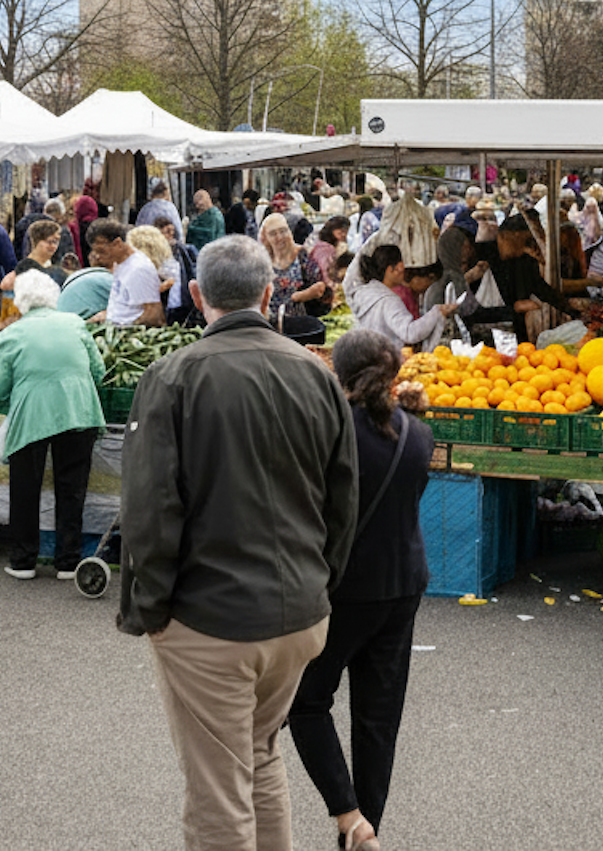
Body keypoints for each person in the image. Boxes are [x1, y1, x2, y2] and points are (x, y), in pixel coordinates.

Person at [118, 235, 358, 850]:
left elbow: (149, 511)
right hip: (298, 611)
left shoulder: (173, 376)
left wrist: (151, 610)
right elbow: (342, 501)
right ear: (271, 291)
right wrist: (320, 583)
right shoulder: (315, 373)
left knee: (219, 789)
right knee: (258, 755)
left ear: (197, 296)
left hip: (214, 617)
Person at [288, 331, 432, 851]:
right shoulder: (419, 435)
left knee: (305, 702)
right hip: (402, 586)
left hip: (343, 589)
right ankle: (366, 826)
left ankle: (351, 820)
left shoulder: (330, 432)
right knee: (378, 718)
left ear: (336, 371)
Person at [0, 269, 105, 579]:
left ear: (21, 302)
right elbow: (99, 369)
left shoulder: (12, 333)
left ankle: (23, 560)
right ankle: (68, 562)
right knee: (73, 488)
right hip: (79, 409)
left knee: (25, 488)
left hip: (33, 414)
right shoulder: (75, 323)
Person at [468, 214, 577, 344]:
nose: (521, 247)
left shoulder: (524, 261)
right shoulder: (479, 259)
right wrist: (512, 308)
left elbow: (540, 288)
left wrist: (569, 309)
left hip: (516, 337)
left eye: (525, 241)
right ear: (503, 236)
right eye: (518, 240)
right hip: (481, 339)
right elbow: (469, 313)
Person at [352, 245, 455, 350]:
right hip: (383, 357)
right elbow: (409, 333)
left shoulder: (362, 292)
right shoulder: (389, 301)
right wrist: (437, 312)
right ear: (396, 269)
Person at [88, 219, 164, 327]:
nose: (98, 256)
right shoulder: (119, 263)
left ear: (117, 243)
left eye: (102, 251)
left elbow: (153, 314)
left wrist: (125, 328)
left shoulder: (139, 268)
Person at [260, 213, 330, 322]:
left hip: (297, 326)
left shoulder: (301, 255)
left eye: (283, 231)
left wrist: (298, 297)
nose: (279, 237)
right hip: (268, 326)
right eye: (273, 234)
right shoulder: (262, 261)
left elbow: (320, 286)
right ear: (266, 238)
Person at [14, 219, 72, 289]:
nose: (54, 246)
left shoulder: (49, 265)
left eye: (56, 242)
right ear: (37, 241)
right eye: (50, 242)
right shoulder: (25, 269)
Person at [136, 178, 185, 243]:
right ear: (165, 192)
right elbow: (179, 232)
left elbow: (137, 231)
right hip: (167, 246)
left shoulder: (145, 209)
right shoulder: (170, 207)